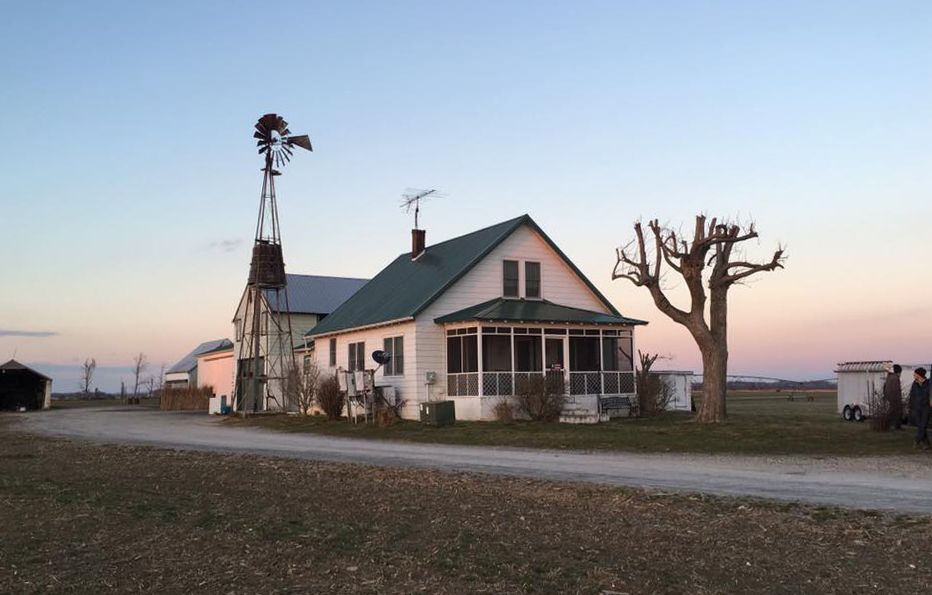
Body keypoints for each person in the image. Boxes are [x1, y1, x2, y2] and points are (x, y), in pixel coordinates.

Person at [908, 367, 930, 449]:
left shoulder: (929, 384)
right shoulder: (915, 384)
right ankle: (926, 444)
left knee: (923, 425)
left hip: (926, 408)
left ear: (920, 375)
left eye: (915, 374)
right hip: (916, 408)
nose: (914, 375)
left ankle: (917, 439)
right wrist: (910, 407)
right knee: (920, 426)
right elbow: (912, 396)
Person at [884, 364, 903, 430]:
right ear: (898, 372)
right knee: (896, 412)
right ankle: (895, 426)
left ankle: (887, 425)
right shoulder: (895, 378)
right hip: (894, 399)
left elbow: (885, 387)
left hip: (889, 397)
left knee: (890, 412)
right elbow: (896, 390)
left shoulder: (889, 377)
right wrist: (899, 399)